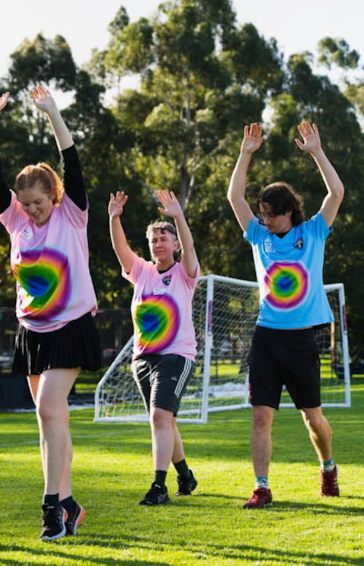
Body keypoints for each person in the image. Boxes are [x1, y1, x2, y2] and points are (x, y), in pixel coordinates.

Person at [0, 87, 101, 541]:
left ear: (55, 196)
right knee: (51, 419)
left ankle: (51, 508)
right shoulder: (16, 221)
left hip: (70, 327)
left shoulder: (72, 215)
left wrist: (52, 113)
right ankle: (69, 503)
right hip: (31, 331)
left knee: (50, 408)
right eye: (25, 205)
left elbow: (72, 161)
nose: (31, 211)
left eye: (38, 203)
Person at [227, 122, 344, 509]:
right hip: (266, 337)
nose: (265, 221)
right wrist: (245, 153)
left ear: (290, 212)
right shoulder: (258, 237)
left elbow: (336, 192)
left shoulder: (312, 232)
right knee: (261, 416)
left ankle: (328, 466)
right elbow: (234, 196)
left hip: (300, 339)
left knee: (313, 420)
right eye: (261, 214)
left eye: (272, 215)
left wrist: (316, 152)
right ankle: (262, 487)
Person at [108, 189, 200, 506]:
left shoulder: (184, 273)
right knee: (165, 420)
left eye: (164, 239)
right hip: (143, 360)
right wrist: (113, 218)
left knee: (160, 417)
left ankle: (159, 487)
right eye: (154, 240)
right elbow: (121, 250)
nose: (159, 244)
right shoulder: (143, 272)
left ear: (174, 244)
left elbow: (190, 248)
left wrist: (177, 216)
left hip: (177, 355)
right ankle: (185, 476)